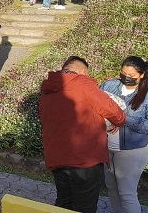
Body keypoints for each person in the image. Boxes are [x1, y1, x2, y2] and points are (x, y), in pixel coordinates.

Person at [40, 56, 126, 213]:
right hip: (85, 159)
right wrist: (116, 123)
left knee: (64, 203)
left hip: (57, 156)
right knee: (85, 206)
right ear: (82, 72)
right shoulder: (82, 83)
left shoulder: (48, 87)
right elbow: (114, 112)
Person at [100, 56, 148, 213]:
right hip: (106, 146)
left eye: (131, 75)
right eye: (123, 73)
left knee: (127, 193)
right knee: (111, 188)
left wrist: (123, 119)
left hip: (132, 150)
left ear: (142, 75)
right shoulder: (109, 86)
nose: (126, 77)